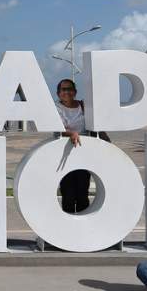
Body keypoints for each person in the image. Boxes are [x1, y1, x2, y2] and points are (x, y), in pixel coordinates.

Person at [55, 78, 92, 214]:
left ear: (75, 92)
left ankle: (84, 227)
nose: (67, 92)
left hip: (83, 153)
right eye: (63, 89)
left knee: (83, 193)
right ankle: (68, 231)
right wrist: (71, 133)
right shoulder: (56, 108)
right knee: (68, 194)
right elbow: (58, 128)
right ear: (58, 93)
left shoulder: (82, 106)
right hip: (64, 154)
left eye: (70, 89)